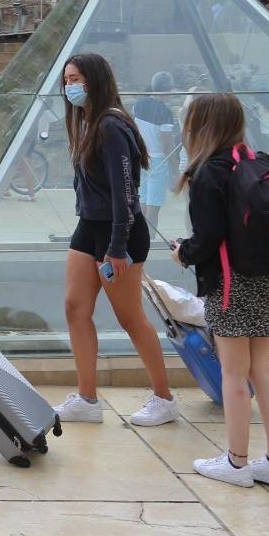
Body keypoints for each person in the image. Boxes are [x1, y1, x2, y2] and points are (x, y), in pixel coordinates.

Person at [169, 93, 269, 491]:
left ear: (201, 125)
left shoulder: (209, 172)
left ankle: (237, 462)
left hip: (230, 284)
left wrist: (183, 253)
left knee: (234, 373)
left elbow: (207, 238)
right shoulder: (261, 161)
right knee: (261, 370)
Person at [52, 53, 178, 427]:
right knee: (75, 308)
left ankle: (164, 398)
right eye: (66, 80)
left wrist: (117, 247)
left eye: (76, 78)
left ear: (95, 80)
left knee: (130, 318)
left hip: (118, 232)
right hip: (89, 226)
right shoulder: (87, 123)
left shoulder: (110, 126)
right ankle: (87, 399)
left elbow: (126, 191)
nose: (70, 86)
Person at [131, 72, 178, 226]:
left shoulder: (138, 105)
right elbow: (166, 142)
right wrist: (175, 169)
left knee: (142, 204)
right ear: (168, 90)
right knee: (153, 209)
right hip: (158, 161)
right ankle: (150, 238)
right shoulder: (165, 112)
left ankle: (140, 237)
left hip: (141, 158)